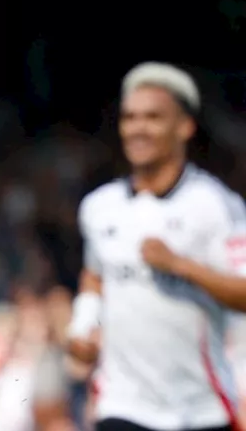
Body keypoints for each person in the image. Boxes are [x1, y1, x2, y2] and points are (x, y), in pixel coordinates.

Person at [68, 62, 246, 431]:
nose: (138, 128)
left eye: (152, 117)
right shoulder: (100, 206)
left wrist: (181, 266)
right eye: (130, 117)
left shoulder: (215, 206)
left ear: (184, 127)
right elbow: (95, 276)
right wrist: (83, 326)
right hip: (121, 405)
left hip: (199, 408)